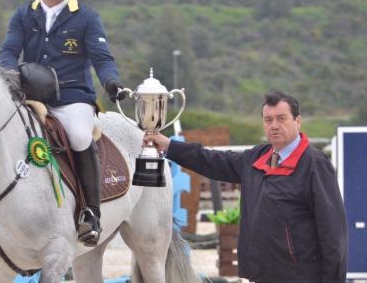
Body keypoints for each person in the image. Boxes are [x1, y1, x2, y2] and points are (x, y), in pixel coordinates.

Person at [144, 91, 347, 282]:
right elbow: (211, 160)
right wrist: (170, 146)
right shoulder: (257, 158)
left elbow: (332, 232)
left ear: (298, 121)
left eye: (281, 118)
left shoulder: (314, 163)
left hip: (301, 277)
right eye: (268, 120)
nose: (274, 125)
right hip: (262, 274)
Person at [0, 0, 124, 246]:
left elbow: (101, 57)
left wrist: (111, 81)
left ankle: (90, 213)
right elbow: (10, 50)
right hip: (30, 94)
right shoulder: (23, 15)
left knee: (79, 136)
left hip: (72, 96)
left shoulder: (87, 17)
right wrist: (5, 74)